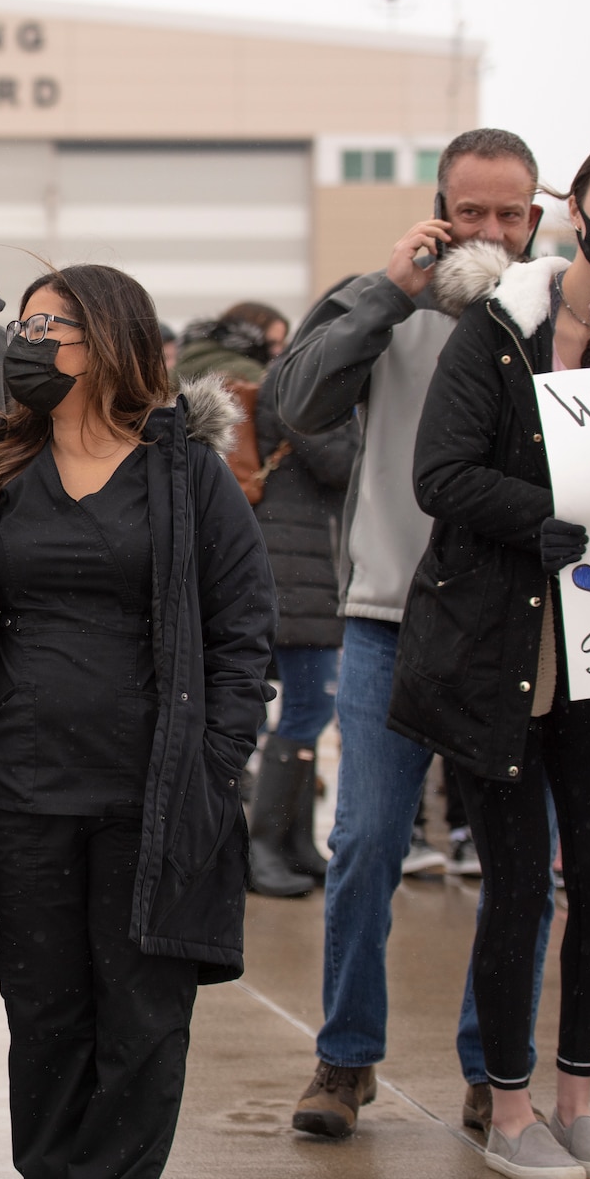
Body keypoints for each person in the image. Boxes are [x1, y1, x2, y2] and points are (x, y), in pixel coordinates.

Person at [0, 264, 273, 1179]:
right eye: (26, 323)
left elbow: (241, 630)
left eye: (49, 325)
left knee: (139, 1018)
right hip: (18, 789)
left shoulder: (182, 471)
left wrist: (213, 766)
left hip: (149, 795)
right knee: (45, 1011)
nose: (26, 340)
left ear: (105, 341)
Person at [390, 135, 590, 1179]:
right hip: (496, 653)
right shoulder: (496, 328)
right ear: (571, 205)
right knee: (517, 887)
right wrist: (539, 514)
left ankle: (576, 1100)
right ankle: (507, 1108)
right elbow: (439, 473)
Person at [275, 128, 551, 1138]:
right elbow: (294, 404)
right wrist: (386, 292)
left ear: (535, 215)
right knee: (361, 842)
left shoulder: (556, 312)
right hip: (385, 615)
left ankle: (495, 1063)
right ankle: (342, 1057)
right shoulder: (378, 299)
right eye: (467, 211)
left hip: (514, 626)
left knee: (521, 861)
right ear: (436, 209)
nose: (487, 231)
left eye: (506, 214)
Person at [181, 302, 358, 895]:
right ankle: (263, 846)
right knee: (303, 707)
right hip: (297, 573)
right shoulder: (303, 385)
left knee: (269, 708)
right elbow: (341, 463)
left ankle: (289, 841)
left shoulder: (267, 379)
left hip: (277, 568)